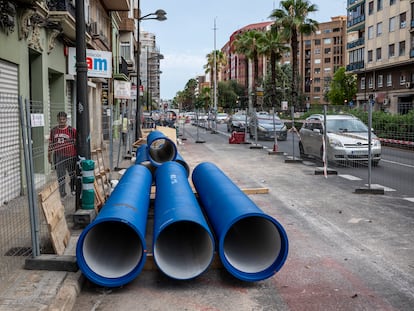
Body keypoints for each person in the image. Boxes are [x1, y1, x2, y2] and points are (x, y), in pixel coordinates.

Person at [48, 111, 77, 198]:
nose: (61, 121)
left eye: (63, 119)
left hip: (70, 156)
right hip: (58, 156)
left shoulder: (72, 130)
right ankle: (62, 193)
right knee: (60, 176)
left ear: (66, 120)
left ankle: (72, 188)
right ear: (57, 119)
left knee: (72, 174)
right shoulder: (53, 131)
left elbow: (77, 143)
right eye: (60, 119)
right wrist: (49, 155)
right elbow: (51, 144)